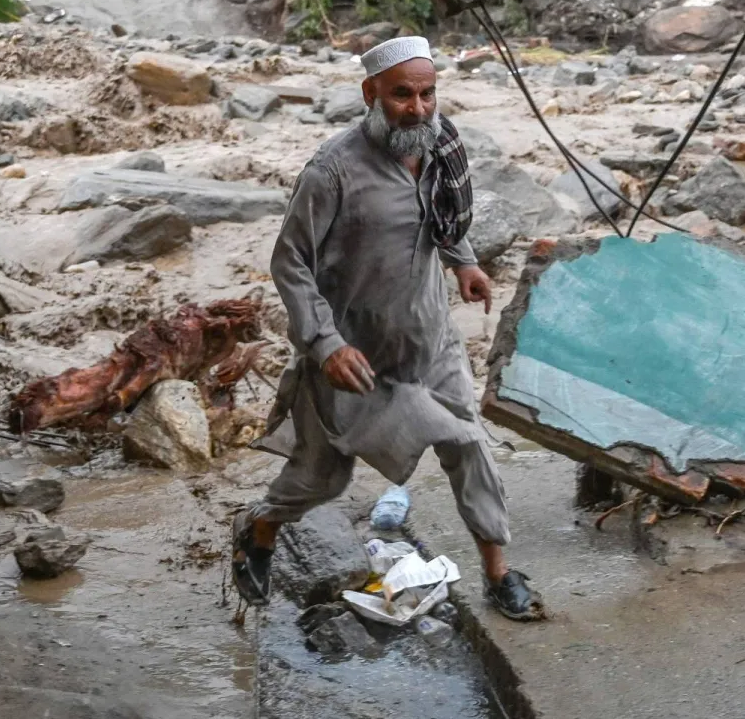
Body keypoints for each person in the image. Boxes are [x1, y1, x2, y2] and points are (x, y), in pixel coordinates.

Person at [231, 35, 544, 621]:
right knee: (321, 479)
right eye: (403, 96)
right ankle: (260, 525)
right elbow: (290, 263)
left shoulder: (441, 145)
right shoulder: (332, 171)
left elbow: (441, 220)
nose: (419, 108)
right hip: (357, 358)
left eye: (428, 94)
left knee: (470, 446)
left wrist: (465, 261)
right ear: (370, 93)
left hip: (431, 342)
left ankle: (499, 573)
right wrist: (324, 344)